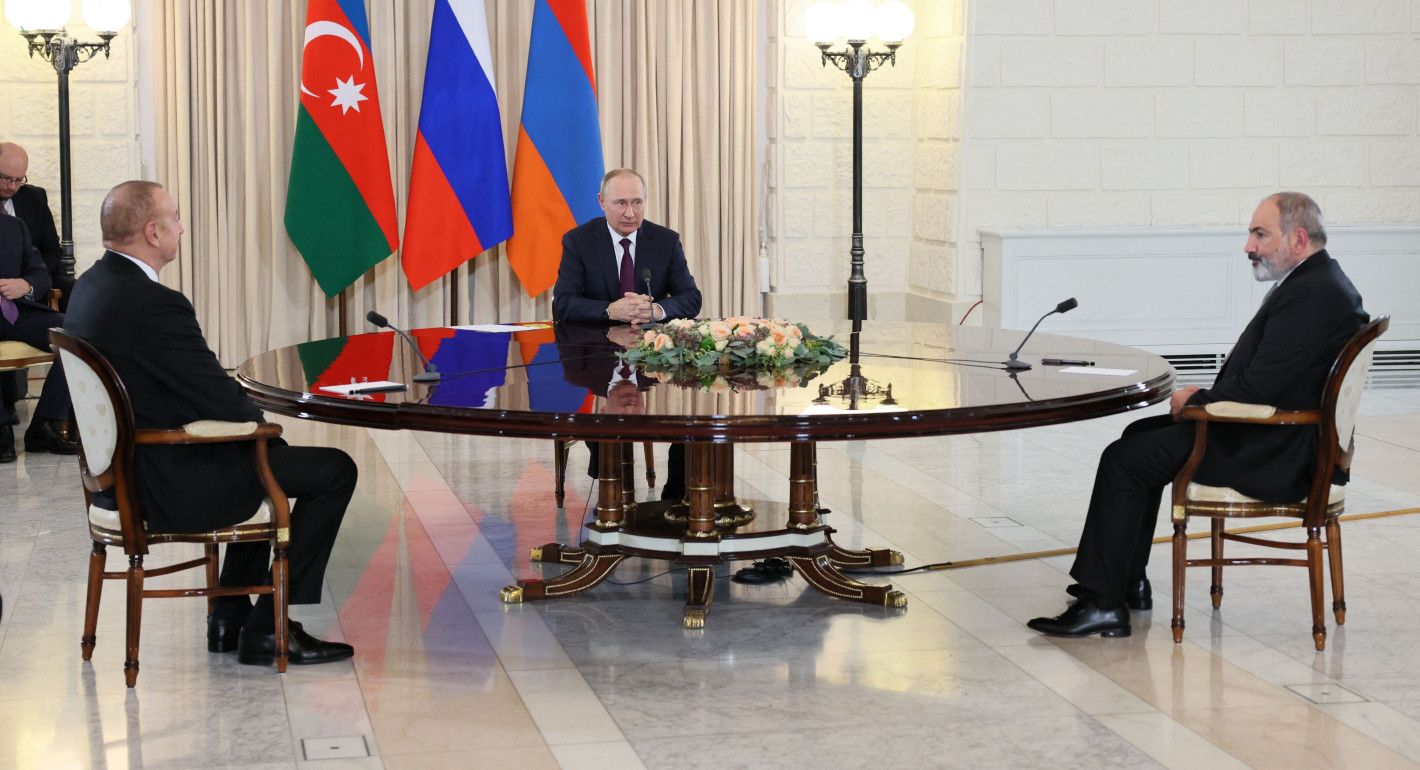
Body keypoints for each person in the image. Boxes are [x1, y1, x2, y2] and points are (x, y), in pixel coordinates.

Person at [1028, 192, 1368, 639]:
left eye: (1260, 234)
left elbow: (1259, 388)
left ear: (1298, 238)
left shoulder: (1313, 294)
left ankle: (1104, 603)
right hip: (1272, 435)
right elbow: (1270, 379)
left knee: (1125, 460)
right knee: (1137, 437)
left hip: (1270, 448)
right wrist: (1202, 400)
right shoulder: (1318, 283)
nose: (1248, 245)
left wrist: (1196, 399)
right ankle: (1127, 581)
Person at [64, 180, 356, 666]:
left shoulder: (92, 285)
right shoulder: (154, 303)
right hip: (167, 481)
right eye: (175, 218)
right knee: (331, 469)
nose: (182, 226)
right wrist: (262, 427)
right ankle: (270, 625)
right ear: (153, 232)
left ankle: (228, 615)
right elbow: (220, 399)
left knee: (259, 453)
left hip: (121, 473)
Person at [552, 168, 702, 499]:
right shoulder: (578, 241)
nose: (630, 212)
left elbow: (691, 298)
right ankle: (614, 496)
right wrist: (609, 310)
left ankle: (676, 498)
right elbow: (563, 304)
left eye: (637, 202)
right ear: (602, 202)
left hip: (656, 363)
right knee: (605, 419)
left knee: (690, 417)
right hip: (597, 357)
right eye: (620, 203)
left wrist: (658, 310)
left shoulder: (665, 241)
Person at [0, 212, 75, 462]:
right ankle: (1, 430)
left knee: (74, 333)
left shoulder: (13, 226)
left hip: (15, 312)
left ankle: (44, 426)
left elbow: (41, 275)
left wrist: (25, 285)